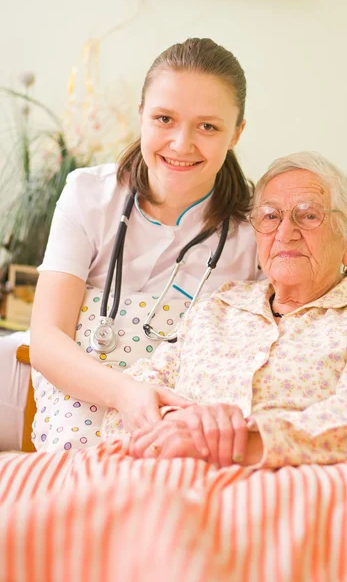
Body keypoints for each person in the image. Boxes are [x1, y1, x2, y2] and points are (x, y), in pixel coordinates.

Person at [29, 37, 263, 452]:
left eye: (208, 126)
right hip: (82, 396)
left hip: (186, 415)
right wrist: (125, 394)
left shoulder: (257, 229)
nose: (181, 144)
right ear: (141, 115)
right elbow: (47, 338)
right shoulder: (87, 195)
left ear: (237, 133)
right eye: (164, 118)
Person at [102, 151, 347, 469]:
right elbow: (136, 394)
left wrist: (241, 442)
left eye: (309, 215)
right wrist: (179, 425)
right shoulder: (218, 306)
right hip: (169, 467)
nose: (285, 233)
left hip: (292, 484)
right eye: (271, 216)